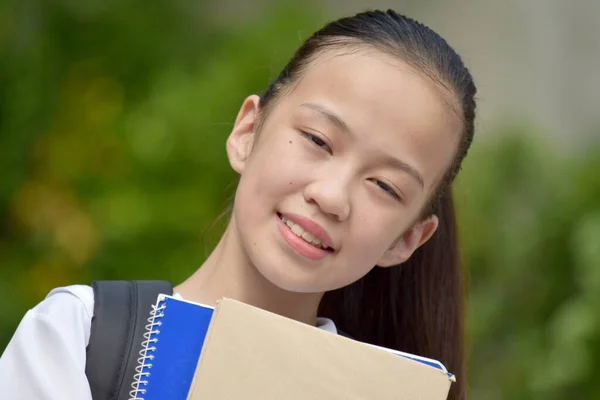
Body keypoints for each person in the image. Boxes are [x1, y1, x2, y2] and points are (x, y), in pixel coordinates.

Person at [0, 9, 477, 400]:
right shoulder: (79, 333)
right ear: (247, 131)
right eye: (317, 139)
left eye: (385, 186)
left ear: (408, 238)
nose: (331, 196)